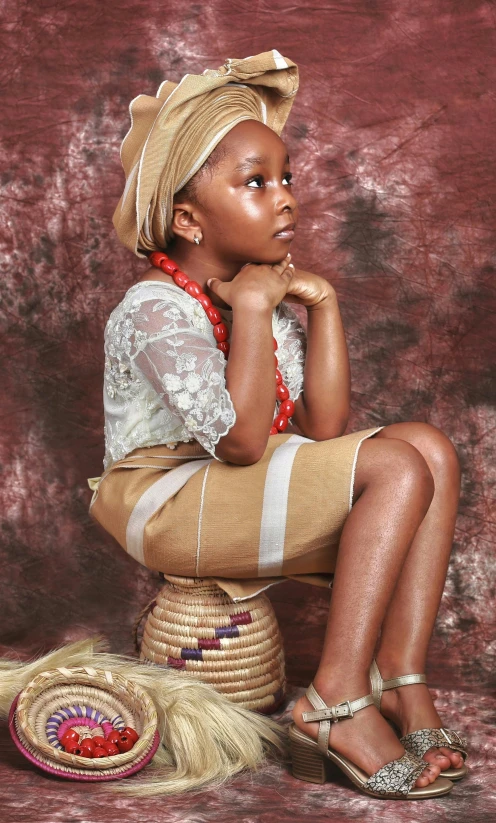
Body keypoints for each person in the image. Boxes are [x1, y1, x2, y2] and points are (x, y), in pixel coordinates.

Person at [87, 50, 467, 799]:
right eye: (256, 182)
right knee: (397, 466)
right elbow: (242, 441)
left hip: (225, 480)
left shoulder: (249, 297)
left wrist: (319, 306)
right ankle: (336, 700)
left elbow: (325, 433)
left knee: (429, 448)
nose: (286, 198)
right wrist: (259, 308)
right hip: (159, 497)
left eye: (286, 178)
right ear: (188, 218)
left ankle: (404, 681)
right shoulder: (156, 308)